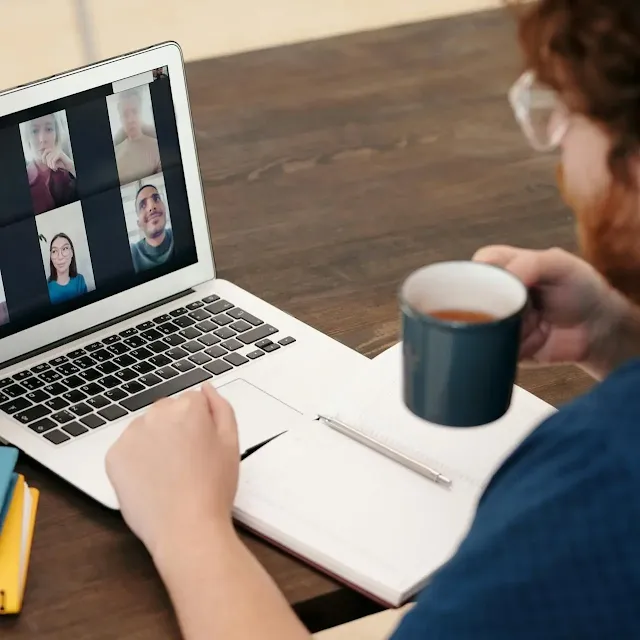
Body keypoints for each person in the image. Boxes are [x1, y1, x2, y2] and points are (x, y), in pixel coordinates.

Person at [106, 1, 640, 638]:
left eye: (565, 113)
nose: (559, 144)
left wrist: (186, 524)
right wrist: (620, 338)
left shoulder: (596, 481)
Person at [23, 113, 77, 215]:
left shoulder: (68, 172)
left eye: (49, 129)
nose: (42, 139)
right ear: (28, 138)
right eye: (34, 131)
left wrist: (71, 167)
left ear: (57, 135)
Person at [113, 88, 162, 185]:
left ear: (141, 113)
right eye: (125, 114)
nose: (131, 119)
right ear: (120, 118)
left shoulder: (158, 148)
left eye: (134, 111)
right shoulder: (114, 153)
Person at [130, 184, 174, 272]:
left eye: (156, 199)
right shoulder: (132, 254)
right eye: (142, 205)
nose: (151, 207)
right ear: (139, 224)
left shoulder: (183, 233)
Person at [47, 233, 88, 305]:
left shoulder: (80, 280)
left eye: (65, 249)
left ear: (72, 252)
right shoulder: (47, 286)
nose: (60, 257)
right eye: (54, 251)